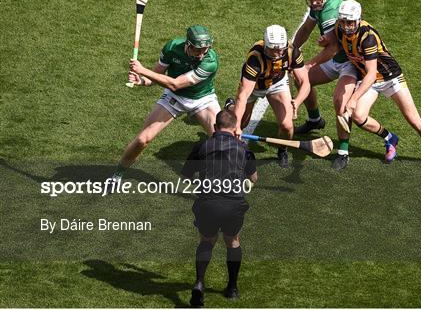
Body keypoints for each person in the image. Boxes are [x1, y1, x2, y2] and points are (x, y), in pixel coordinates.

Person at [308, 0, 421, 172]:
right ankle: (389, 137)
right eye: (344, 22)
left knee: (413, 119)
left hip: (390, 78)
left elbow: (370, 74)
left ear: (359, 20)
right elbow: (332, 47)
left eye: (350, 22)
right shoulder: (340, 28)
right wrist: (315, 57)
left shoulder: (367, 37)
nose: (346, 26)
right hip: (371, 81)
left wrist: (353, 98)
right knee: (359, 117)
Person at [110, 25, 221, 183]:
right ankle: (116, 176)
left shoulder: (210, 61)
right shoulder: (171, 48)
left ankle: (236, 178)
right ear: (187, 45)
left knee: (223, 142)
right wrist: (141, 80)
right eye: (197, 50)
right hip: (174, 98)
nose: (201, 54)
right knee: (142, 139)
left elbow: (175, 84)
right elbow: (155, 77)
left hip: (202, 99)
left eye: (205, 49)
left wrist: (142, 70)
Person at [181, 110, 258, 307]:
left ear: (215, 127)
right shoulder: (244, 149)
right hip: (233, 205)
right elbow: (253, 179)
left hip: (208, 203)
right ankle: (232, 288)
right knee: (232, 241)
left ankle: (199, 283)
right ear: (235, 130)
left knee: (207, 241)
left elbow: (186, 176)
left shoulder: (202, 146)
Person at [292, 0, 359, 170]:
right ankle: (315, 120)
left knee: (340, 102)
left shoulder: (330, 12)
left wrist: (309, 64)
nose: (313, 2)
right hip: (335, 60)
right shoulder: (319, 7)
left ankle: (343, 151)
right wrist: (293, 51)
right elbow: (305, 29)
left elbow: (333, 49)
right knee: (300, 77)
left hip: (349, 63)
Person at [227, 24, 310, 168]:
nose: (276, 54)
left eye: (279, 50)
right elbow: (244, 94)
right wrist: (237, 125)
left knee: (287, 126)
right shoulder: (255, 58)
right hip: (254, 86)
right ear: (265, 45)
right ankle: (230, 107)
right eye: (272, 50)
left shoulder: (292, 52)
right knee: (241, 123)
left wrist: (297, 101)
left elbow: (305, 82)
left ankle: (282, 150)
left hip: (276, 84)